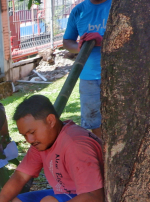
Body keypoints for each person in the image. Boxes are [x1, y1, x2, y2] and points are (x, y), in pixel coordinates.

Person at [0, 95, 105, 202]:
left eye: (32, 132)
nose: (29, 140)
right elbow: (20, 176)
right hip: (68, 195)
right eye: (25, 135)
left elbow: (94, 198)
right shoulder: (43, 143)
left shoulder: (75, 144)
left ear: (50, 121)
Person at [62, 0, 112, 138]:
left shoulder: (117, 6)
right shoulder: (78, 10)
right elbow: (67, 41)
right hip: (88, 77)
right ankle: (102, 155)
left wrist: (103, 40)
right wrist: (79, 46)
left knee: (120, 118)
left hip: (117, 76)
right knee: (94, 122)